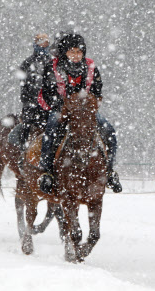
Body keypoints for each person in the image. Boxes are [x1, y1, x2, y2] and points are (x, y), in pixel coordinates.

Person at [36, 32, 122, 194]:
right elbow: (47, 92)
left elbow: (97, 91)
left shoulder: (91, 67)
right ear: (64, 52)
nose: (76, 55)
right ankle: (47, 172)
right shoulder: (52, 67)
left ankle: (110, 171)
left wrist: (87, 105)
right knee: (50, 131)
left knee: (109, 131)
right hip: (61, 110)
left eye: (79, 52)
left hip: (85, 112)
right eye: (72, 51)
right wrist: (64, 105)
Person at [18, 33, 51, 150]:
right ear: (35, 44)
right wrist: (30, 102)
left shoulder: (53, 62)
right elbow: (23, 87)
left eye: (45, 42)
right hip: (32, 104)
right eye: (40, 41)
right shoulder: (27, 63)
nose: (43, 44)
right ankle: (23, 152)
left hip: (49, 104)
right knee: (26, 125)